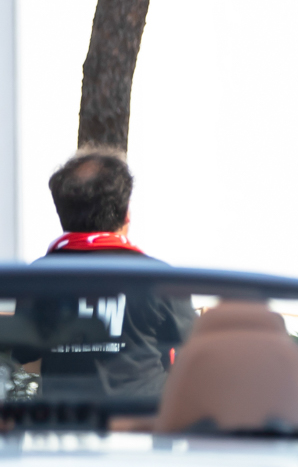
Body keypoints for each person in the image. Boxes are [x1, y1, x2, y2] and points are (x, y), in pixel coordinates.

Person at [27, 151, 194, 403]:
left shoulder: (37, 277)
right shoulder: (160, 277)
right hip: (143, 418)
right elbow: (194, 353)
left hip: (66, 419)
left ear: (61, 213)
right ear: (126, 214)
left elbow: (27, 359)